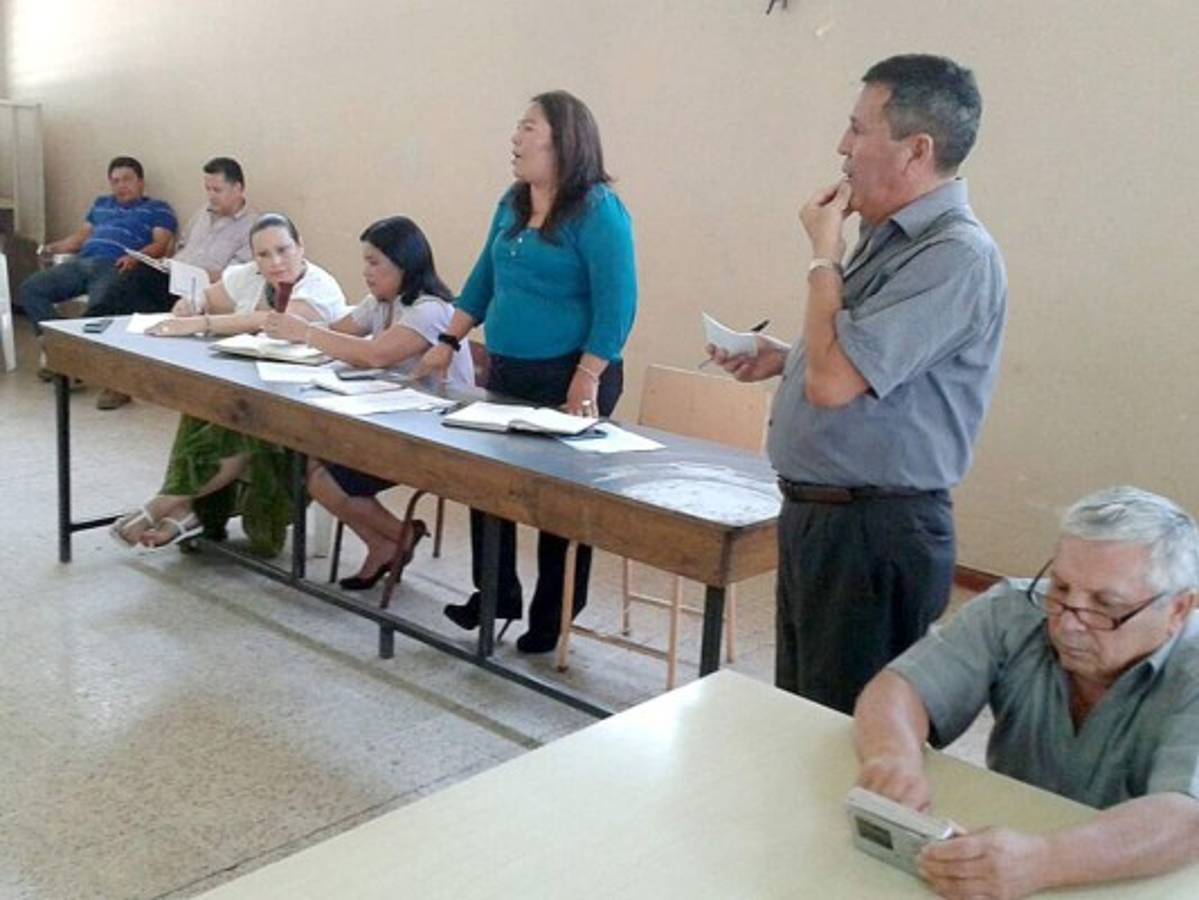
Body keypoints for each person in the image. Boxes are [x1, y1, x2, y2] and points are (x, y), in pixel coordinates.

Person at [710, 54, 1007, 713]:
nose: (842, 148)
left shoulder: (955, 254)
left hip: (875, 532)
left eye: (857, 129)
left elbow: (833, 382)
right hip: (825, 516)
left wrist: (822, 255)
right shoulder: (890, 235)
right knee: (801, 713)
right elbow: (860, 365)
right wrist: (781, 355)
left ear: (916, 150)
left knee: (840, 730)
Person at [853, 486, 1199, 898]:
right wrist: (894, 758)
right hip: (1009, 837)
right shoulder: (1015, 610)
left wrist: (1043, 860)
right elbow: (900, 686)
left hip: (1136, 876)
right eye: (1062, 589)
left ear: (1178, 609)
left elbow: (1185, 818)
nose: (1069, 623)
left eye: (1106, 605)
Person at [417, 89, 637, 653]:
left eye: (528, 128)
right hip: (510, 369)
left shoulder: (597, 210)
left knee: (558, 503)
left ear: (564, 140)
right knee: (488, 484)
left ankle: (554, 614)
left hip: (571, 374)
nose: (515, 139)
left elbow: (619, 302)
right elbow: (483, 276)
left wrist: (588, 373)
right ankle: (497, 595)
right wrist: (449, 338)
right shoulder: (513, 202)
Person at [110, 213, 346, 556]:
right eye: (263, 255)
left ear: (301, 248)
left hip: (297, 411)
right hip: (249, 393)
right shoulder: (250, 276)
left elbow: (269, 321)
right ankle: (185, 509)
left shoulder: (319, 287)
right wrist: (191, 305)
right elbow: (209, 296)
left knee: (236, 425)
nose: (275, 262)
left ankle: (166, 504)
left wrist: (199, 322)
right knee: (203, 407)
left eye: (283, 250)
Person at [262, 215, 474, 590]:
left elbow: (376, 355)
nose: (366, 272)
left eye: (375, 262)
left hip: (432, 434)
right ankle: (382, 544)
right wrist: (295, 328)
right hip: (386, 419)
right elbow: (341, 333)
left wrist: (307, 333)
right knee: (309, 463)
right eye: (365, 261)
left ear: (405, 264)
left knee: (328, 479)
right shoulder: (381, 303)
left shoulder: (430, 310)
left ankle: (400, 535)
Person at [89, 157, 256, 410]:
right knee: (134, 284)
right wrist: (168, 264)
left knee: (135, 290)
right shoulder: (203, 213)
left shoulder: (252, 227)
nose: (211, 196)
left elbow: (235, 278)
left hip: (202, 292)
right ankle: (110, 368)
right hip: (173, 277)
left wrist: (190, 273)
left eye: (217, 190)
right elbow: (182, 246)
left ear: (239, 189)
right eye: (207, 189)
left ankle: (86, 336)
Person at [21, 156, 177, 368]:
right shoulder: (101, 204)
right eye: (115, 181)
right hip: (81, 261)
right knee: (31, 288)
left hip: (114, 265)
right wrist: (49, 249)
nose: (121, 185)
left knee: (98, 311)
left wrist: (135, 257)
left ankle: (72, 357)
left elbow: (161, 245)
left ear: (141, 182)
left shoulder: (157, 209)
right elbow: (78, 239)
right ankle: (59, 347)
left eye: (127, 179)